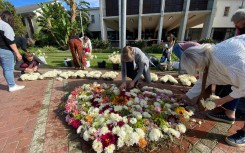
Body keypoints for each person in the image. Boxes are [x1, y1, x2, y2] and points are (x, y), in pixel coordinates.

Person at [181, 35, 245, 147]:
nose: (196, 71)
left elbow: (243, 86)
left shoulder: (227, 60)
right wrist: (185, 99)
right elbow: (202, 82)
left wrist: (221, 101)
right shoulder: (207, 58)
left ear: (197, 62)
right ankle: (229, 115)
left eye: (195, 68)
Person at [0, 10, 25, 92]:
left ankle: (11, 84)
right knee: (8, 69)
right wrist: (18, 53)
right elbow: (10, 41)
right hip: (5, 50)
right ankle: (12, 86)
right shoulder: (5, 25)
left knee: (5, 68)